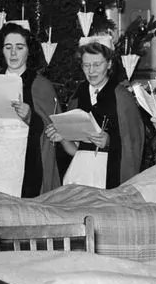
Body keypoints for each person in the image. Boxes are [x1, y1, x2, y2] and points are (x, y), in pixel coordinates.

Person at [0, 23, 60, 198]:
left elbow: (54, 133)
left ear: (28, 51)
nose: (13, 53)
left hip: (26, 165)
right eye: (8, 47)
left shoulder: (41, 86)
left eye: (19, 47)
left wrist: (30, 118)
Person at [44, 37, 144, 189]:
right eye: (86, 65)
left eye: (97, 65)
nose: (91, 71)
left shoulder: (122, 97)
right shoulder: (78, 97)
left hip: (108, 175)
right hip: (79, 173)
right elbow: (75, 150)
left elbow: (133, 144)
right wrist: (62, 137)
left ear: (109, 64)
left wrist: (109, 142)